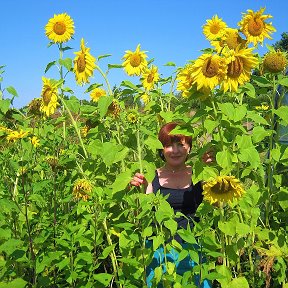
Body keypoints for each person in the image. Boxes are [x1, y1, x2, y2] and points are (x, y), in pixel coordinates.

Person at [130, 121, 212, 288]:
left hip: (193, 249)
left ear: (189, 147)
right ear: (161, 149)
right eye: (169, 145)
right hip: (160, 251)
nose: (175, 151)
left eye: (180, 144)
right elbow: (145, 212)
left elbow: (216, 203)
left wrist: (212, 169)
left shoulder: (199, 173)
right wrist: (139, 187)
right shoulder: (151, 176)